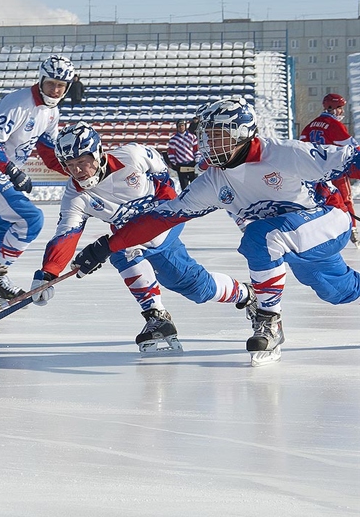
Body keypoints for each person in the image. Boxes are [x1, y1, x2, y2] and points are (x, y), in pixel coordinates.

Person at [72, 98, 360, 366]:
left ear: (241, 133)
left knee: (261, 236)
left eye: (217, 134)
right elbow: (162, 218)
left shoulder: (285, 153)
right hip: (294, 239)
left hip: (328, 220)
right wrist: (109, 245)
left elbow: (351, 158)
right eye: (206, 135)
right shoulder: (211, 182)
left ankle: (269, 319)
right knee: (337, 291)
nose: (208, 142)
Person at [30, 122, 256, 354]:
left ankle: (247, 294)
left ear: (97, 152)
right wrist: (48, 273)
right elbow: (67, 233)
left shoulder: (133, 155)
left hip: (163, 223)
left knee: (190, 284)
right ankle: (157, 314)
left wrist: (165, 209)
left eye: (81, 162)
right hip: (130, 235)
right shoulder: (75, 196)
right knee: (127, 252)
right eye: (70, 166)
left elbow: (162, 178)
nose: (77, 171)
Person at [0, 55, 76, 304]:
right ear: (41, 80)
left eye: (61, 86)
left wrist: (77, 172)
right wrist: (12, 171)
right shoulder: (20, 103)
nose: (55, 90)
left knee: (5, 226)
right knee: (30, 220)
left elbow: (48, 151)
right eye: (51, 83)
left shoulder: (52, 113)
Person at [299, 93, 358, 247]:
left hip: (315, 171)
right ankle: (352, 229)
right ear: (330, 107)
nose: (341, 112)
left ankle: (317, 231)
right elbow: (352, 147)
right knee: (345, 199)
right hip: (335, 168)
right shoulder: (335, 125)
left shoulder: (311, 125)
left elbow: (301, 145)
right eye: (339, 108)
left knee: (318, 201)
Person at [167, 119, 199, 189]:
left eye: (182, 125)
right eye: (179, 126)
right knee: (184, 186)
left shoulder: (192, 137)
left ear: (185, 126)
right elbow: (171, 153)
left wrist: (197, 160)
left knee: (195, 186)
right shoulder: (173, 140)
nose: (181, 127)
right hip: (181, 165)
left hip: (192, 164)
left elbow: (196, 150)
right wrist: (173, 163)